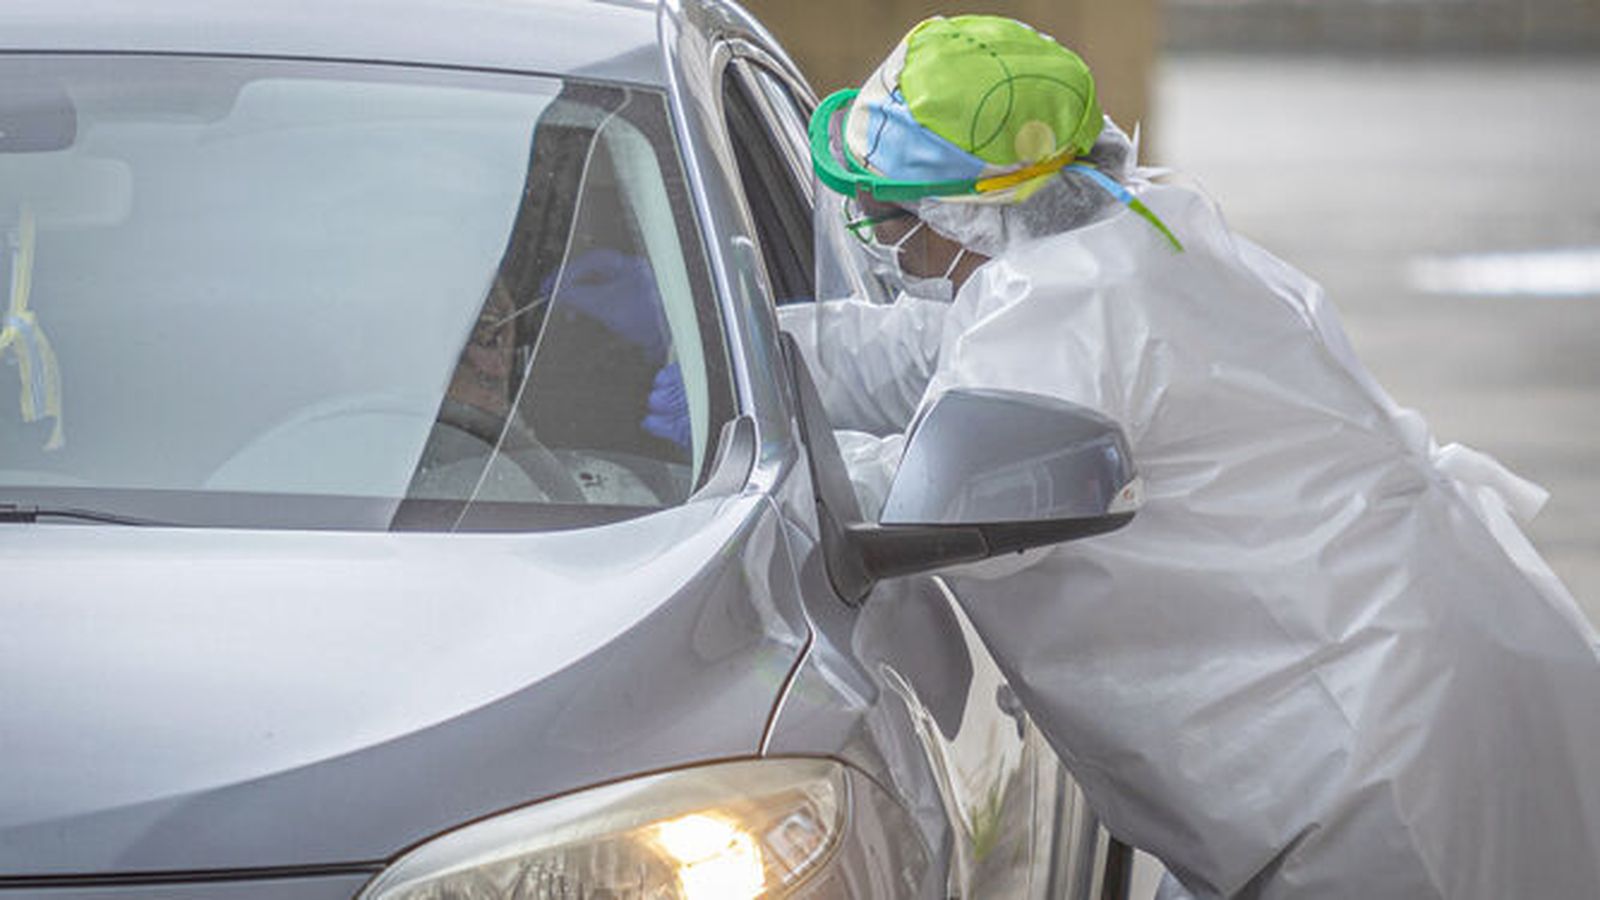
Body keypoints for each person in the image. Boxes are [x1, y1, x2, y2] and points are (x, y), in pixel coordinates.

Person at [782, 14, 1600, 899]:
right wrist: (729, 350)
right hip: (1427, 662)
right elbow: (922, 354)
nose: (876, 235)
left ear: (959, 213)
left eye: (884, 214)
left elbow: (918, 488)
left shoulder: (1068, 313)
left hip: (1370, 763)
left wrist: (734, 470)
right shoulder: (1123, 233)